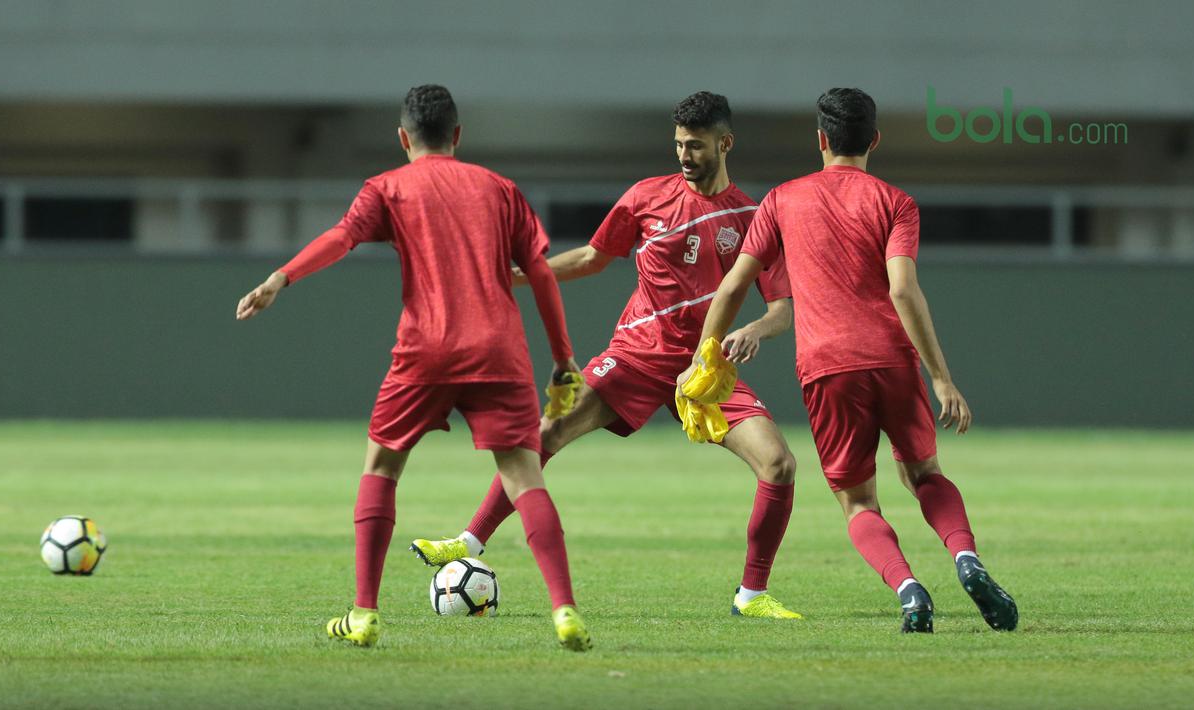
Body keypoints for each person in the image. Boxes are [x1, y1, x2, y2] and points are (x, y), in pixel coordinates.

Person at [411, 92, 803, 619]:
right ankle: (470, 541)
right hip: (637, 356)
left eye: (697, 146)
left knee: (779, 465)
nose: (685, 156)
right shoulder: (647, 196)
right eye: (679, 145)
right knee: (545, 431)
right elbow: (594, 257)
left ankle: (751, 597)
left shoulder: (752, 217)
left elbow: (783, 306)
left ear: (725, 143)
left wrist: (755, 328)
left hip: (705, 368)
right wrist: (517, 276)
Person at [235, 84, 592, 651]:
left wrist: (282, 276)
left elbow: (341, 238)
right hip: (499, 349)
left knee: (381, 467)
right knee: (524, 475)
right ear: (457, 135)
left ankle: (364, 614)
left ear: (403, 137)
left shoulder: (389, 187)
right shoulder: (500, 189)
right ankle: (565, 610)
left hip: (424, 349)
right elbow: (543, 273)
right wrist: (563, 355)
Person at [689, 88, 1018, 633]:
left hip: (827, 368)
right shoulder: (895, 202)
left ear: (820, 139)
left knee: (859, 502)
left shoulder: (782, 199)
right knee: (925, 474)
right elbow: (904, 291)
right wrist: (941, 377)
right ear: (875, 140)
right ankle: (967, 559)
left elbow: (730, 289)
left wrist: (706, 358)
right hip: (891, 359)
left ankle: (910, 591)